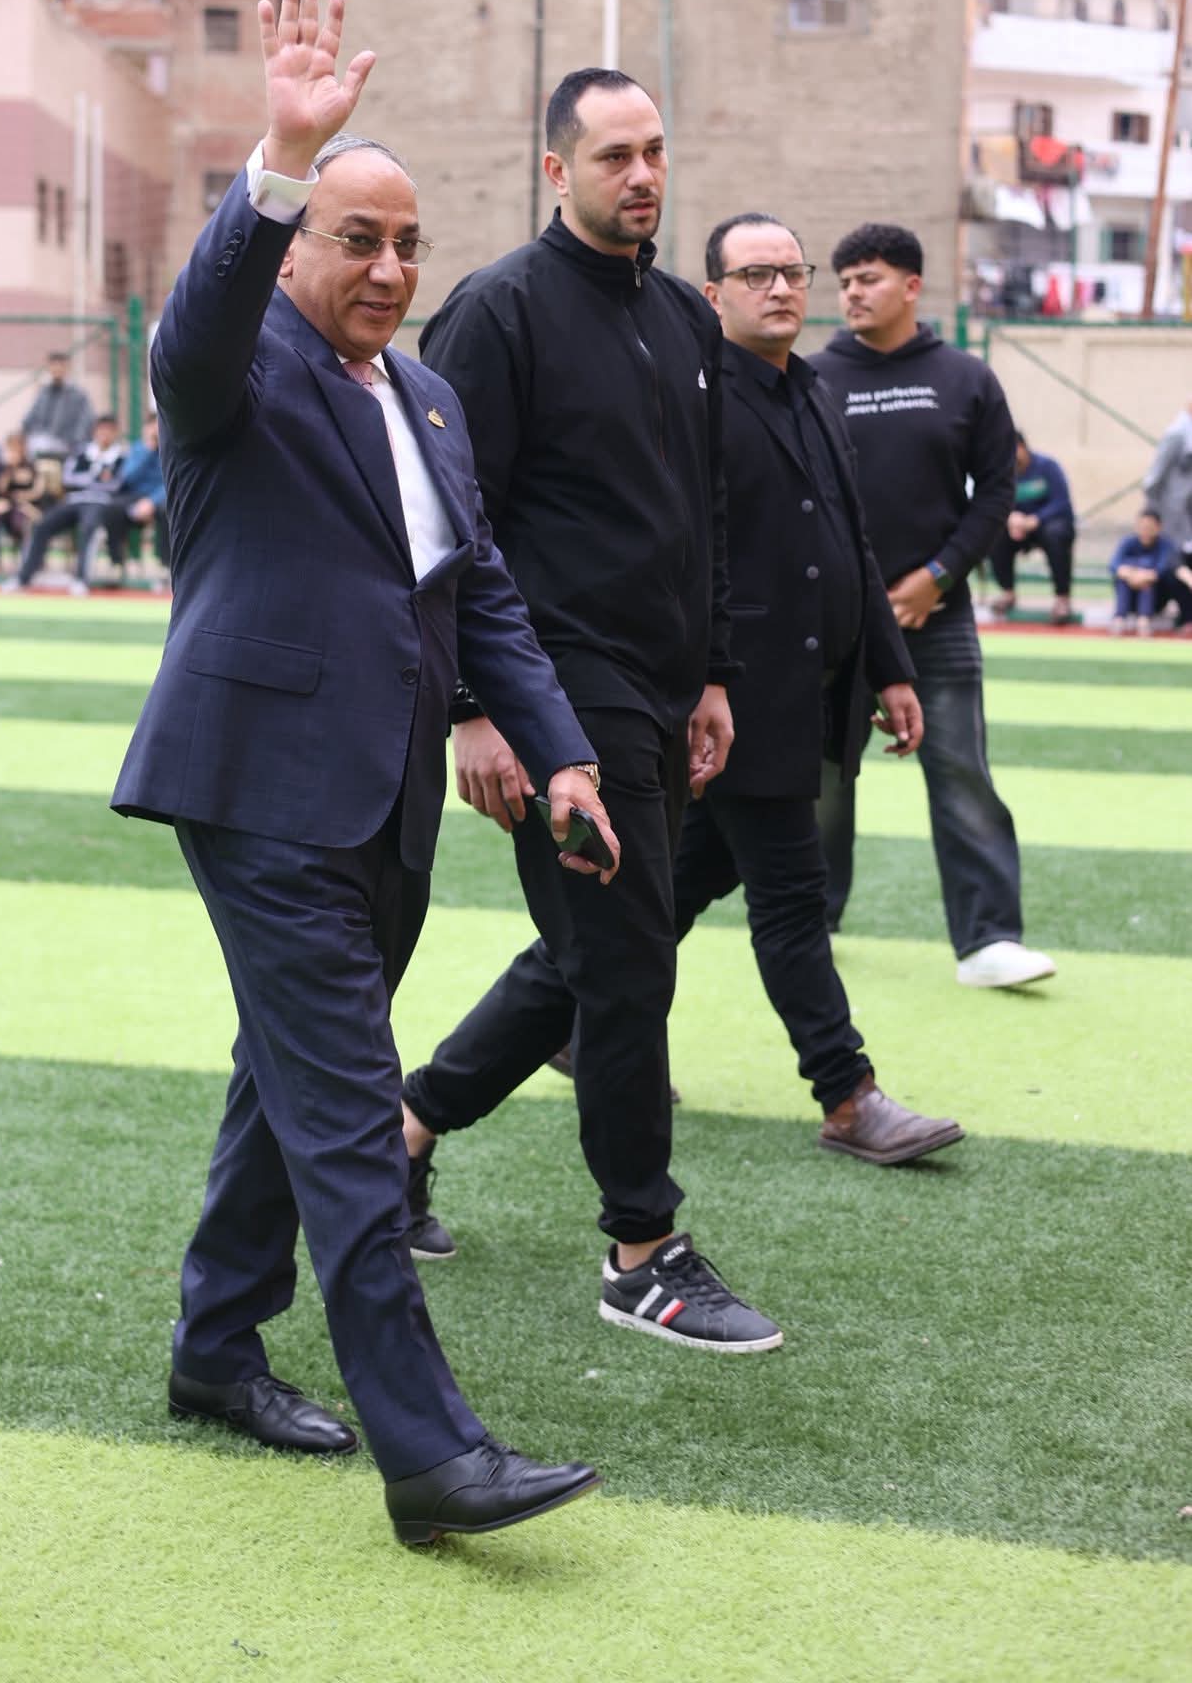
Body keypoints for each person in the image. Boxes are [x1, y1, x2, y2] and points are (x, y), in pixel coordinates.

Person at [111, 0, 614, 1548]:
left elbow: (483, 598)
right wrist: (279, 155)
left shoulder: (433, 400)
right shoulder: (237, 367)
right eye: (356, 239)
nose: (390, 268)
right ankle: (432, 1456)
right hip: (256, 789)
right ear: (297, 247)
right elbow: (191, 335)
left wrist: (564, 759)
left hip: (387, 799)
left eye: (408, 243)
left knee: (287, 1080)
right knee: (347, 1118)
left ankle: (214, 1347)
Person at [399, 67, 785, 1356]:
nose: (643, 174)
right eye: (614, 154)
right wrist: (475, 707)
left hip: (662, 688)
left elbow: (702, 511)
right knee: (624, 961)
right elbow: (447, 518)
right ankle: (641, 1251)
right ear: (557, 170)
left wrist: (713, 671)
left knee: (592, 949)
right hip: (554, 691)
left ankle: (404, 1128)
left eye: (654, 150)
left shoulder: (680, 316)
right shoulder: (496, 310)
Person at [668, 213, 962, 1165]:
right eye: (755, 275)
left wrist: (890, 667)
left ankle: (565, 1019)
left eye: (792, 272)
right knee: (793, 899)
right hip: (741, 701)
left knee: (668, 890)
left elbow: (852, 544)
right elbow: (693, 560)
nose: (780, 288)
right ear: (713, 296)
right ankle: (847, 1094)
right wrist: (707, 681)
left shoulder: (815, 390)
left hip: (813, 693)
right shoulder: (698, 401)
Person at [810, 224, 1056, 992]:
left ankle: (988, 941)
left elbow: (997, 494)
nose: (853, 292)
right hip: (834, 621)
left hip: (936, 617)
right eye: (845, 280)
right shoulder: (811, 377)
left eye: (870, 278)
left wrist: (938, 578)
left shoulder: (966, 378)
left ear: (913, 286)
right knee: (821, 781)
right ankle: (810, 924)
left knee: (961, 774)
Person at [5, 415, 127, 595]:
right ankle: (23, 577)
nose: (104, 434)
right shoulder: (81, 453)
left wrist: (92, 482)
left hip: (99, 502)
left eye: (109, 430)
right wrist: (94, 478)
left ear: (115, 433)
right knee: (42, 524)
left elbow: (117, 484)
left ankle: (81, 579)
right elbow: (68, 477)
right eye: (101, 430)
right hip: (75, 500)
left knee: (89, 527)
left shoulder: (121, 457)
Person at [989, 433, 1077, 624]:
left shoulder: (1048, 467)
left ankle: (1062, 598)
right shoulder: (1002, 471)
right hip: (1016, 526)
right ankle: (1008, 592)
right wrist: (1010, 519)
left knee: (1056, 534)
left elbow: (1061, 502)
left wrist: (1035, 520)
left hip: (1047, 524)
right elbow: (993, 501)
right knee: (994, 535)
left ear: (1022, 447)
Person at [99, 414, 168, 581]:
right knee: (112, 509)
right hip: (134, 497)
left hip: (158, 499)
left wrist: (151, 502)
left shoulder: (169, 450)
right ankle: (116, 563)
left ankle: (166, 565)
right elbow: (127, 477)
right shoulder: (137, 449)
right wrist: (148, 450)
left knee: (167, 512)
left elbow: (169, 483)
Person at [1108, 509, 1183, 635]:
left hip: (1156, 598)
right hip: (1129, 594)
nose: (1145, 531)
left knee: (1146, 580)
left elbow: (1161, 570)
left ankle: (1144, 620)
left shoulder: (1165, 545)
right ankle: (1119, 618)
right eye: (1142, 527)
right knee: (1125, 575)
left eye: (1149, 527)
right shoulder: (1128, 542)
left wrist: (1144, 576)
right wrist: (1132, 575)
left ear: (1158, 527)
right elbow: (1114, 565)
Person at [0, 431, 41, 569]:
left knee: (18, 524)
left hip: (26, 505)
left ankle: (27, 561)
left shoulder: (31, 466)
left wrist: (22, 497)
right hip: (7, 504)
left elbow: (37, 491)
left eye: (17, 446)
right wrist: (9, 471)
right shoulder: (4, 468)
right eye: (11, 447)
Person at [22, 350, 94, 461]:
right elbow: (30, 418)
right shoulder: (43, 392)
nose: (57, 369)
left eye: (60, 365)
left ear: (67, 367)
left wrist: (74, 441)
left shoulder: (78, 394)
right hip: (42, 441)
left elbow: (86, 421)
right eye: (53, 365)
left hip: (67, 444)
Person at [1141, 399, 1192, 552]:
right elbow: (1156, 473)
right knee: (1171, 547)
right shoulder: (1177, 433)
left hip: (1185, 504)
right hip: (1169, 504)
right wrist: (1153, 505)